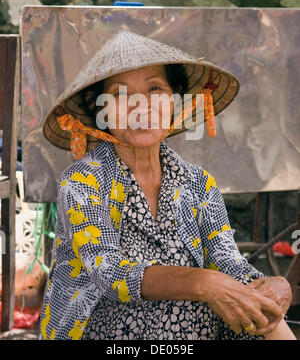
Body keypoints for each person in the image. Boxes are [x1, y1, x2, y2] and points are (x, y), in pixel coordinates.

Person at [40, 29, 295, 340]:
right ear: (101, 112)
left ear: (176, 101)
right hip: (109, 332)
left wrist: (269, 283)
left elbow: (226, 260)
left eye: (155, 89)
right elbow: (111, 274)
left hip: (192, 329)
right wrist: (204, 284)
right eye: (120, 95)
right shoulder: (82, 182)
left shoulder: (199, 183)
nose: (140, 106)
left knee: (266, 315)